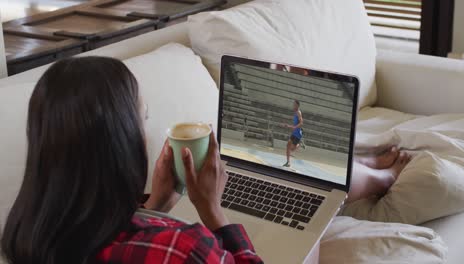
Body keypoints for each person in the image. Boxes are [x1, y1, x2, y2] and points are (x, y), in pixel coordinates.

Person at [0, 57, 263, 264]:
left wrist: (154, 206)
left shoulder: (25, 235)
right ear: (122, 140)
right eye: (143, 119)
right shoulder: (184, 249)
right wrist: (213, 210)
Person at [283, 100, 303, 167]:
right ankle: (288, 162)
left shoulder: (298, 113)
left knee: (292, 149)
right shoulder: (295, 113)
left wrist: (295, 127)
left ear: (297, 105)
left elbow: (301, 123)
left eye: (294, 104)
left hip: (297, 134)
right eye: (293, 104)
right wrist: (288, 126)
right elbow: (295, 124)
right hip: (294, 133)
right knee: (288, 145)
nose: (293, 105)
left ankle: (299, 144)